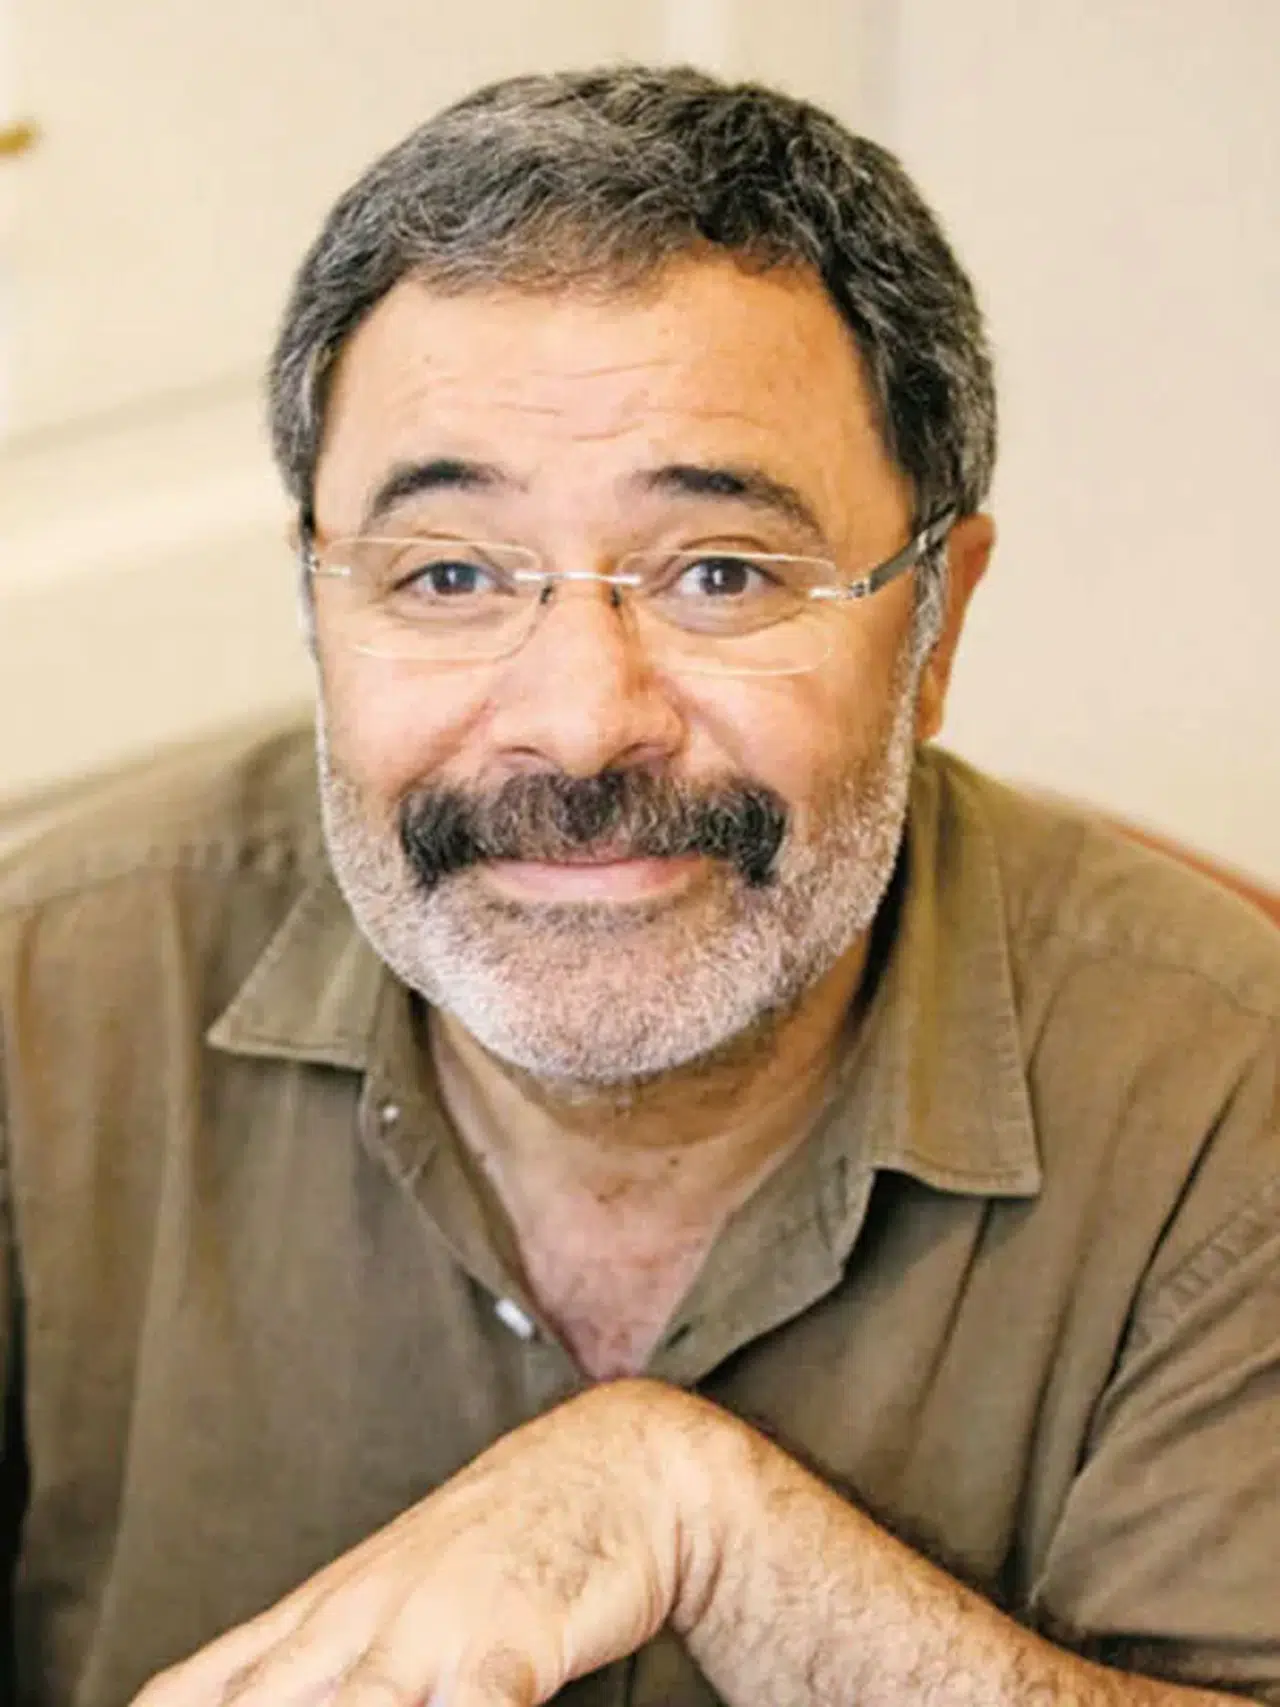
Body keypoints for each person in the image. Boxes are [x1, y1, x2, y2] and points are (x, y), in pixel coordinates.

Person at [1, 64, 1277, 1707]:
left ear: (936, 623)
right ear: (319, 611)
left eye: (719, 572)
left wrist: (715, 1529)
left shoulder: (1226, 1105)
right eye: (449, 574)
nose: (581, 719)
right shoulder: (39, 1008)